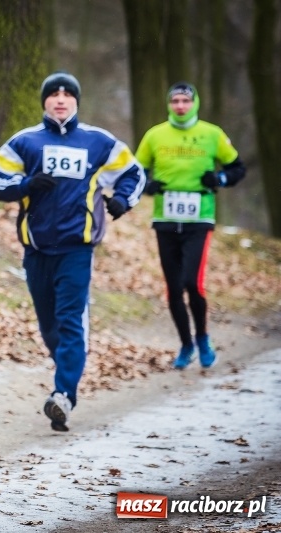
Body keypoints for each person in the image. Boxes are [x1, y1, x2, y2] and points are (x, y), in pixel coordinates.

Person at [0, 71, 145, 432]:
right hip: (37, 249)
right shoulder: (25, 142)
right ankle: (67, 374)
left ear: (76, 101)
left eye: (67, 94)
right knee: (49, 325)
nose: (60, 99)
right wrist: (26, 184)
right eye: (53, 94)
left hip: (76, 248)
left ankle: (63, 395)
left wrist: (121, 200)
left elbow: (134, 173)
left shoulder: (98, 142)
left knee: (71, 321)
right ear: (44, 101)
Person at [135, 82, 246, 371]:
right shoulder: (155, 135)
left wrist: (219, 180)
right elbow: (136, 173)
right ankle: (186, 344)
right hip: (166, 219)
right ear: (168, 105)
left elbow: (238, 168)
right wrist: (148, 185)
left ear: (195, 103)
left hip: (199, 219)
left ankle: (203, 338)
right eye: (175, 101)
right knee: (173, 287)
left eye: (185, 101)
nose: (180, 106)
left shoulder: (212, 134)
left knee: (191, 283)